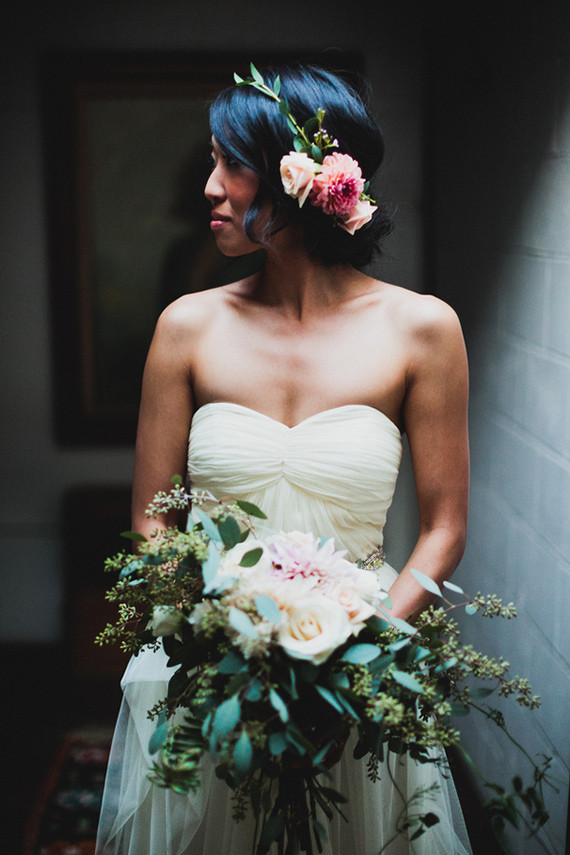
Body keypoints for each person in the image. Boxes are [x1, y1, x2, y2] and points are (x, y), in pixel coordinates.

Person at [96, 64, 472, 854]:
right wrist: (225, 647)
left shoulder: (423, 330)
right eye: (213, 160)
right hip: (208, 674)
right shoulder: (187, 328)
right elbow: (151, 521)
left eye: (230, 162)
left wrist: (353, 658)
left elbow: (443, 528)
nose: (208, 186)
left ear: (298, 179)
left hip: (355, 670)